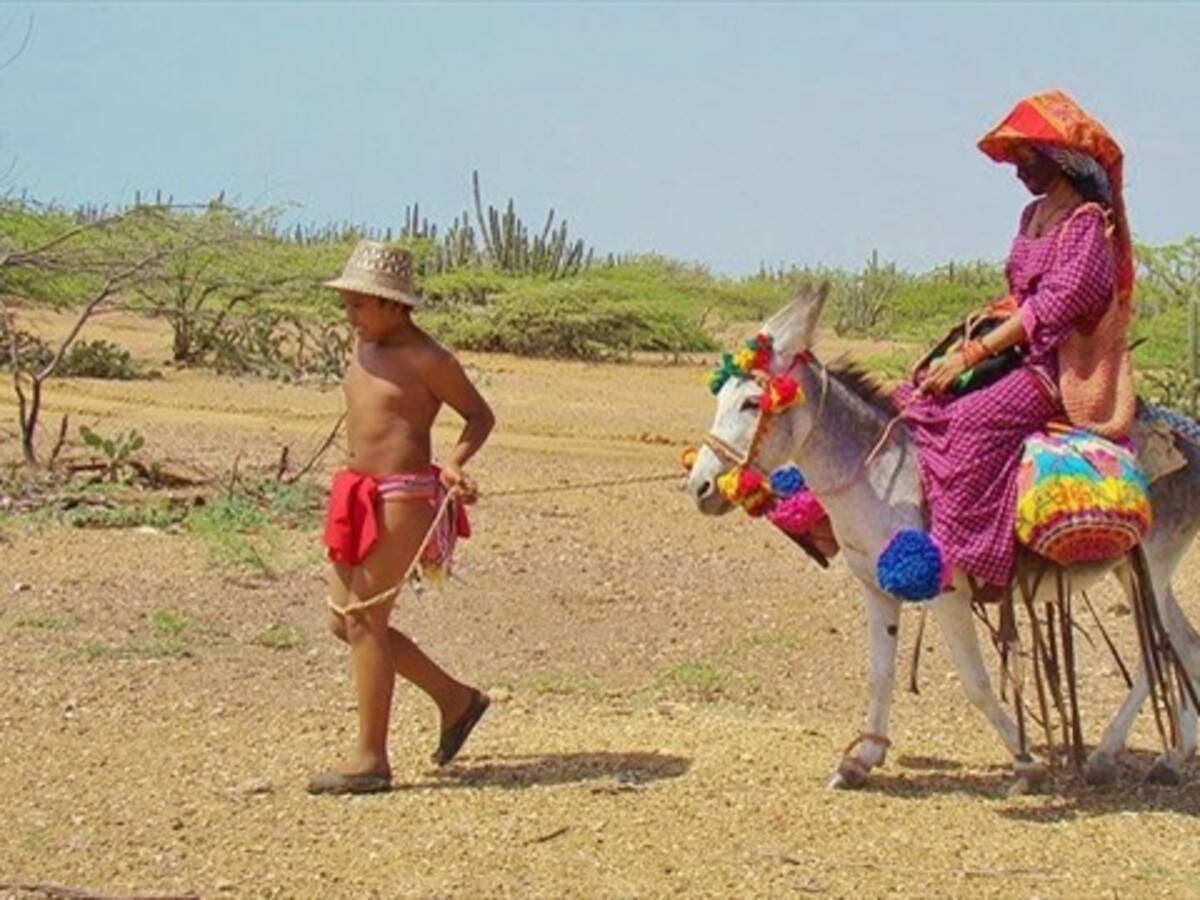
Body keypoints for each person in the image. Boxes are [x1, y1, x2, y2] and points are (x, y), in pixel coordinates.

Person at [894, 90, 1136, 597]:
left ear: (1059, 160)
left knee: (970, 420)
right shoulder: (1033, 217)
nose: (1018, 172)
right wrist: (972, 334)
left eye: (1026, 160)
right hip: (1017, 348)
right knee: (916, 395)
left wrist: (976, 354)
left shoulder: (1088, 226)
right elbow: (1019, 294)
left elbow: (1052, 307)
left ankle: (979, 559)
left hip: (1056, 366)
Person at [307, 240, 495, 795]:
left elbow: (479, 416)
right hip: (355, 492)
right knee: (345, 623)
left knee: (365, 617)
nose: (351, 317)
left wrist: (456, 463)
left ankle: (370, 759)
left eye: (360, 306)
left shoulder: (429, 359)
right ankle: (456, 699)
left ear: (393, 305)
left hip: (404, 497)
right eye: (347, 306)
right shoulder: (363, 346)